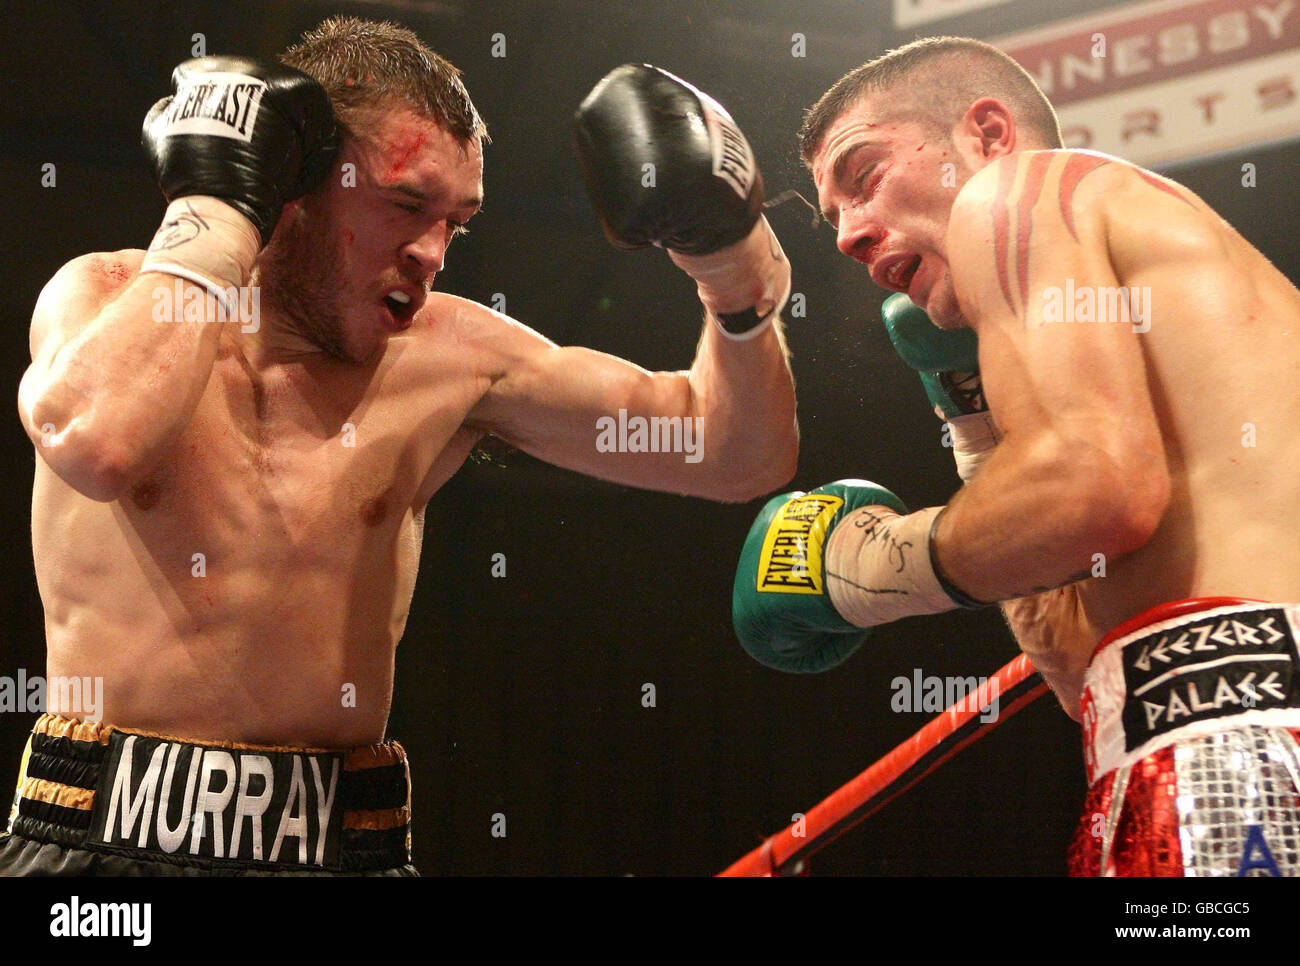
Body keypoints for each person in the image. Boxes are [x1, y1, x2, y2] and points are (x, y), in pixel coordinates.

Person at [4, 17, 798, 876]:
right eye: (406, 205)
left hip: (338, 849)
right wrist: (215, 210)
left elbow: (733, 455)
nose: (431, 254)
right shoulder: (111, 294)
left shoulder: (453, 358)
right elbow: (95, 442)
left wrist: (733, 268)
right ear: (297, 179)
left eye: (457, 222)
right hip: (99, 844)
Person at [732, 35, 1300, 876]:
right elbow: (1081, 674)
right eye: (835, 215)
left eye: (864, 174)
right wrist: (975, 428)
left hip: (1239, 744)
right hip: (1197, 713)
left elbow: (1097, 491)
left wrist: (857, 565)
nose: (850, 235)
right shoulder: (1173, 318)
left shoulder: (1022, 189)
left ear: (987, 135)